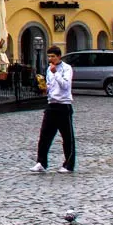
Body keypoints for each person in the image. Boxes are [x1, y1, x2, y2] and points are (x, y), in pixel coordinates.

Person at [31, 46, 75, 174]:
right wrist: (45, 88)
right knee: (44, 135)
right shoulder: (49, 70)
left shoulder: (66, 68)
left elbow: (66, 85)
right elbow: (51, 85)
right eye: (49, 56)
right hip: (52, 104)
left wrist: (56, 73)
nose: (51, 59)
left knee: (67, 137)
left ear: (59, 56)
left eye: (53, 57)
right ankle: (41, 162)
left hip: (64, 105)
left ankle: (68, 164)